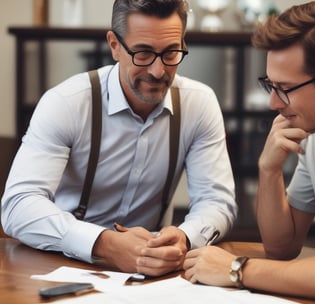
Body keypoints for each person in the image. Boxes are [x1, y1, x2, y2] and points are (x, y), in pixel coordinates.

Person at [183, 1, 315, 303]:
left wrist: (236, 269)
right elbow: (282, 247)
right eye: (270, 86)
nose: (274, 103)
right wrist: (268, 170)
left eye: (284, 88)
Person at [1, 0, 237, 277]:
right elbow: (18, 207)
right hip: (62, 263)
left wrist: (184, 237)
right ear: (114, 45)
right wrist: (104, 243)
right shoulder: (66, 103)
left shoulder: (199, 103)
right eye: (143, 53)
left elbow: (218, 202)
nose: (158, 71)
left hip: (153, 273)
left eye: (171, 53)